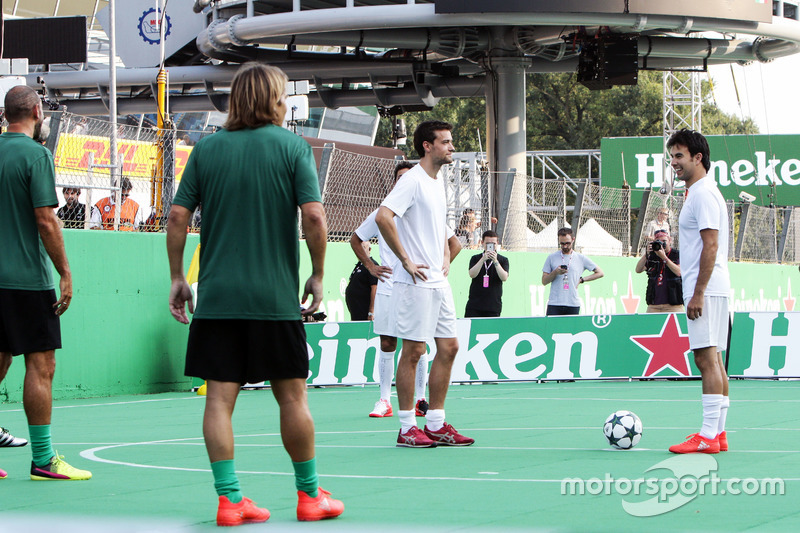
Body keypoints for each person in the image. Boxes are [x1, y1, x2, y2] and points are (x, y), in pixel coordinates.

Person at [166, 62, 343, 525]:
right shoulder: (292, 148)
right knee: (293, 399)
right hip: (273, 301)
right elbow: (315, 218)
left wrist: (177, 278)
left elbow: (176, 218)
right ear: (274, 100)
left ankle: (229, 501)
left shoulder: (206, 150)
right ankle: (309, 496)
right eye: (283, 95)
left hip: (220, 300)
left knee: (219, 401)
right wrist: (319, 273)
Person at [0, 85, 91, 481]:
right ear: (37, 111)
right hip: (25, 280)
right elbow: (46, 219)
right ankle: (43, 459)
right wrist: (65, 272)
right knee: (41, 364)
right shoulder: (36, 155)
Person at [376, 120, 474, 448]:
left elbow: (438, 232)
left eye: (451, 141)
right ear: (427, 146)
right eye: (445, 142)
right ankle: (406, 427)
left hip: (437, 282)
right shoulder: (413, 181)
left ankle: (435, 422)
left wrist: (446, 257)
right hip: (413, 282)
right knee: (415, 350)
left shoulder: (436, 182)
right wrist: (404, 259)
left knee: (449, 347)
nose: (451, 147)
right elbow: (383, 217)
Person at [351, 161, 461, 419]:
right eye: (400, 178)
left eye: (408, 177)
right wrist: (370, 266)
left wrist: (443, 264)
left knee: (420, 346)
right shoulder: (384, 212)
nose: (405, 181)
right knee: (389, 343)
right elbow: (356, 239)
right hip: (391, 286)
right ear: (395, 183)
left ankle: (423, 402)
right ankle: (385, 401)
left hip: (421, 284)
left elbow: (453, 243)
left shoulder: (425, 205)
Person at [666, 129, 731, 455]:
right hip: (715, 287)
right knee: (715, 360)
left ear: (697, 158)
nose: (673, 162)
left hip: (706, 288)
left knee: (706, 359)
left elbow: (711, 244)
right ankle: (717, 434)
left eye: (679, 156)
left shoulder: (703, 194)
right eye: (672, 156)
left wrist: (697, 293)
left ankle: (707, 435)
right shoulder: (705, 192)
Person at [541, 227, 604, 316]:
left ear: (573, 240)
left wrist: (582, 280)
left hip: (573, 303)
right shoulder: (551, 257)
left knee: (571, 330)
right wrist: (555, 272)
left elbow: (600, 273)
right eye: (562, 244)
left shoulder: (580, 258)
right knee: (553, 329)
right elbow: (544, 281)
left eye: (567, 243)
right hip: (555, 303)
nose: (565, 246)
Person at [635, 228, 684, 313]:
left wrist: (664, 258)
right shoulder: (653, 256)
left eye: (664, 241)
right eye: (658, 241)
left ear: (670, 241)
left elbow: (679, 272)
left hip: (673, 305)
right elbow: (638, 269)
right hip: (654, 306)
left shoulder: (677, 255)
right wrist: (646, 254)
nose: (661, 244)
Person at [464, 230, 509, 318]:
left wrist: (495, 261)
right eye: (488, 244)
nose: (491, 247)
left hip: (493, 306)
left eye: (493, 244)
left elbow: (504, 277)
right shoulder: (475, 258)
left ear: (497, 243)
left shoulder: (503, 260)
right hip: (474, 305)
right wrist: (483, 259)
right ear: (482, 243)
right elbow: (472, 274)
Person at [344, 240, 379, 321]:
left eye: (363, 247)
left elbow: (375, 288)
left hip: (365, 313)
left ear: (369, 249)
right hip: (356, 313)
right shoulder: (360, 265)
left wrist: (371, 311)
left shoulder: (372, 266)